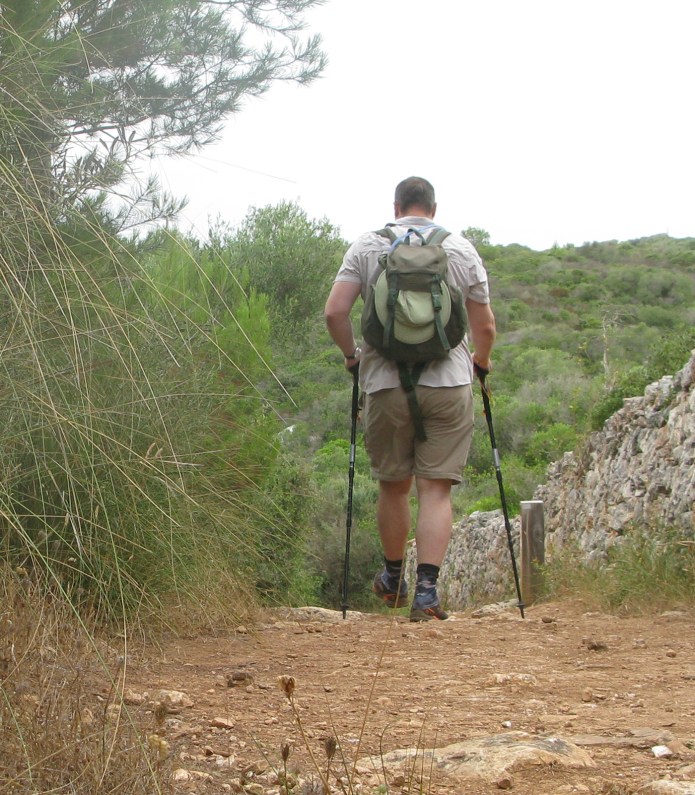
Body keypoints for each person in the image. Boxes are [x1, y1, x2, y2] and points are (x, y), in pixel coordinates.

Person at [324, 176, 496, 622]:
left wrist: (351, 357)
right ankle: (427, 593)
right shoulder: (459, 248)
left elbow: (335, 312)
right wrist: (481, 360)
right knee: (435, 490)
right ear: (433, 210)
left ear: (396, 205)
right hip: (449, 381)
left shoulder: (367, 245)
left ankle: (393, 574)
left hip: (384, 382)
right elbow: (486, 325)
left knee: (393, 485)